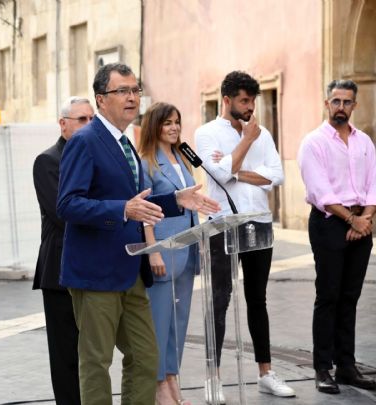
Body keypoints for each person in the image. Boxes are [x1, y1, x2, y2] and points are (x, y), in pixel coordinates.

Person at [57, 62, 220, 405]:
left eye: (135, 90)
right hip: (95, 272)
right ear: (101, 99)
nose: (132, 98)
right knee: (96, 361)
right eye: (122, 91)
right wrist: (121, 209)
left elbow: (139, 200)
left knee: (146, 356)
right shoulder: (85, 141)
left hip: (131, 268)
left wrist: (177, 199)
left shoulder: (125, 142)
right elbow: (68, 204)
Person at [194, 70, 292, 402]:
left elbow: (276, 176)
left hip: (258, 223)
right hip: (222, 224)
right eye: (244, 101)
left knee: (257, 300)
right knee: (219, 299)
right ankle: (213, 378)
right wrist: (245, 143)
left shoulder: (263, 134)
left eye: (253, 101)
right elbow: (219, 174)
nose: (250, 107)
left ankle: (266, 373)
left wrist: (237, 169)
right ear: (227, 100)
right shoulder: (207, 133)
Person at [298, 79, 376, 395]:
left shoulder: (365, 142)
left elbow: (373, 184)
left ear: (354, 105)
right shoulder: (313, 142)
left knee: (350, 296)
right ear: (326, 103)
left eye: (346, 102)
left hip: (361, 223)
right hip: (330, 222)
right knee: (328, 295)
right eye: (335, 101)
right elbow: (320, 191)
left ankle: (346, 366)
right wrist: (352, 220)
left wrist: (366, 218)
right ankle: (322, 368)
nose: (340, 107)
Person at [32, 96, 94, 404]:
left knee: (92, 352)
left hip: (94, 269)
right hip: (59, 270)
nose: (88, 126)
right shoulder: (48, 161)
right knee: (65, 354)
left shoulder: (95, 156)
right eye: (81, 120)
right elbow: (63, 214)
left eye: (91, 120)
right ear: (63, 124)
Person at [138, 102, 198, 405]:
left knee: (179, 319)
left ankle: (173, 378)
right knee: (160, 321)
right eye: (167, 123)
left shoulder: (183, 159)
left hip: (187, 248)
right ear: (155, 127)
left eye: (177, 122)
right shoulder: (147, 162)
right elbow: (146, 211)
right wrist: (152, 252)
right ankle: (159, 384)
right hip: (163, 249)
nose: (174, 128)